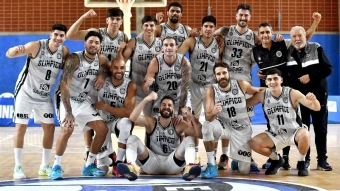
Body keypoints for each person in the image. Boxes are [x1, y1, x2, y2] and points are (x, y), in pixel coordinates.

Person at [252, 12, 322, 170]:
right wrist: (257, 72)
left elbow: (303, 38)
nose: (264, 35)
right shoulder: (255, 51)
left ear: (272, 33)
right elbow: (247, 65)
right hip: (268, 93)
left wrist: (315, 23)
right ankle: (278, 158)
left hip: (286, 92)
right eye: (261, 32)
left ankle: (298, 158)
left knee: (291, 124)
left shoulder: (282, 43)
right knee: (274, 125)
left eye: (267, 32)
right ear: (258, 34)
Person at [5, 24, 70, 179]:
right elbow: (9, 54)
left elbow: (72, 66)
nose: (58, 38)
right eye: (56, 34)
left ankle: (44, 166)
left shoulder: (64, 52)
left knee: (49, 128)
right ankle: (18, 167)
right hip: (25, 92)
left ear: (65, 38)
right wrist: (14, 50)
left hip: (43, 95)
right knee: (21, 127)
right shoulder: (36, 46)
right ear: (50, 34)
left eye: (61, 36)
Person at [66, 8, 128, 165]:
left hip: (109, 83)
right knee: (89, 119)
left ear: (121, 21)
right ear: (107, 20)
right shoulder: (96, 33)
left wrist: (106, 74)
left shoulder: (124, 37)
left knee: (105, 120)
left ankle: (112, 153)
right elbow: (70, 35)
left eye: (118, 19)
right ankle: (89, 151)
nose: (115, 22)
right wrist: (84, 15)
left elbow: (120, 64)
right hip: (90, 81)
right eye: (112, 19)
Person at [50, 31, 111, 180]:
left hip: (82, 100)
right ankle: (56, 166)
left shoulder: (101, 58)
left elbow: (109, 68)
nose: (93, 45)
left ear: (100, 46)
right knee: (67, 129)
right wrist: (69, 112)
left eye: (97, 43)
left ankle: (89, 165)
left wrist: (103, 75)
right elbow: (64, 85)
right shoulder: (74, 59)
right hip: (66, 98)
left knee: (102, 130)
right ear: (85, 44)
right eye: (91, 42)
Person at [247, 68, 321, 176]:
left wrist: (314, 100)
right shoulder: (262, 95)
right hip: (275, 134)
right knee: (253, 143)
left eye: (275, 78)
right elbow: (244, 104)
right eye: (270, 79)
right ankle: (277, 160)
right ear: (266, 82)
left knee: (305, 133)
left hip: (294, 132)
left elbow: (316, 108)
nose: (273, 82)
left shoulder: (292, 93)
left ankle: (301, 162)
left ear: (281, 80)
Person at [117, 91, 202, 181]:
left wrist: (190, 116)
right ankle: (131, 166)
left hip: (172, 163)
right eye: (164, 105)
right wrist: (146, 99)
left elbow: (200, 134)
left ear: (173, 109)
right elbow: (133, 118)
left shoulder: (179, 124)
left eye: (169, 105)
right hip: (152, 162)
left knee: (189, 139)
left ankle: (189, 168)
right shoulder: (152, 122)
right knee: (132, 138)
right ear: (159, 108)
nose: (166, 107)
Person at [214, 3, 260, 171]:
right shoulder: (225, 31)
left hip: (245, 82)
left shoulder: (254, 37)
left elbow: (260, 55)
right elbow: (211, 37)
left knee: (244, 121)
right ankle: (225, 154)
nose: (243, 18)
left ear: (250, 17)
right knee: (225, 119)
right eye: (240, 15)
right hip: (226, 82)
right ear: (236, 16)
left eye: (246, 15)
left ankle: (243, 153)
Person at [201, 62, 261, 178]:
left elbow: (258, 91)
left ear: (230, 73)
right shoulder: (211, 89)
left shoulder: (241, 84)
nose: (222, 76)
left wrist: (277, 88)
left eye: (224, 73)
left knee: (244, 171)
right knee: (206, 126)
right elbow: (208, 117)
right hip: (225, 127)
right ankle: (211, 165)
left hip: (242, 130)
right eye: (218, 74)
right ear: (215, 76)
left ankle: (237, 160)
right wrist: (213, 111)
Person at [177, 15, 223, 164]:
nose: (208, 29)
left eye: (211, 27)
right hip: (193, 85)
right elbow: (177, 56)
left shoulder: (219, 43)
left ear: (215, 29)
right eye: (206, 26)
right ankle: (194, 155)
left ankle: (213, 156)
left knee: (211, 119)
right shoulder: (192, 41)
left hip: (210, 87)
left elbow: (221, 63)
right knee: (191, 121)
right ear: (201, 28)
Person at [286, 26, 333, 171]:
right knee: (303, 130)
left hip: (318, 97)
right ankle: (305, 160)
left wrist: (311, 76)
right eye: (294, 36)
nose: (297, 39)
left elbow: (328, 69)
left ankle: (322, 160)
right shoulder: (288, 53)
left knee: (321, 129)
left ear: (306, 36)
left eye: (300, 35)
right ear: (291, 38)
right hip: (300, 100)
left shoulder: (316, 47)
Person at [94, 56, 137, 177]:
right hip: (102, 123)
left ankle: (118, 162)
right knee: (102, 170)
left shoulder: (130, 85)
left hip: (117, 121)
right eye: (116, 68)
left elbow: (128, 112)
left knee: (126, 123)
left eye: (122, 68)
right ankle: (108, 157)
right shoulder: (102, 80)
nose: (119, 71)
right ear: (110, 69)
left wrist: (105, 107)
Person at [122, 15, 162, 116]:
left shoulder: (161, 44)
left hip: (154, 90)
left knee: (151, 122)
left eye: (152, 25)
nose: (149, 28)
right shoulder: (133, 43)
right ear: (142, 27)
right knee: (129, 120)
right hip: (136, 90)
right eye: (146, 25)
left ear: (156, 27)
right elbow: (121, 63)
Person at [142, 36, 191, 117]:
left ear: (176, 48)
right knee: (154, 126)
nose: (169, 47)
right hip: (161, 99)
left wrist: (180, 113)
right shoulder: (155, 62)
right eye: (166, 45)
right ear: (162, 48)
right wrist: (147, 85)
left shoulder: (184, 62)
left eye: (171, 45)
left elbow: (185, 89)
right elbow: (144, 89)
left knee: (184, 122)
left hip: (179, 97)